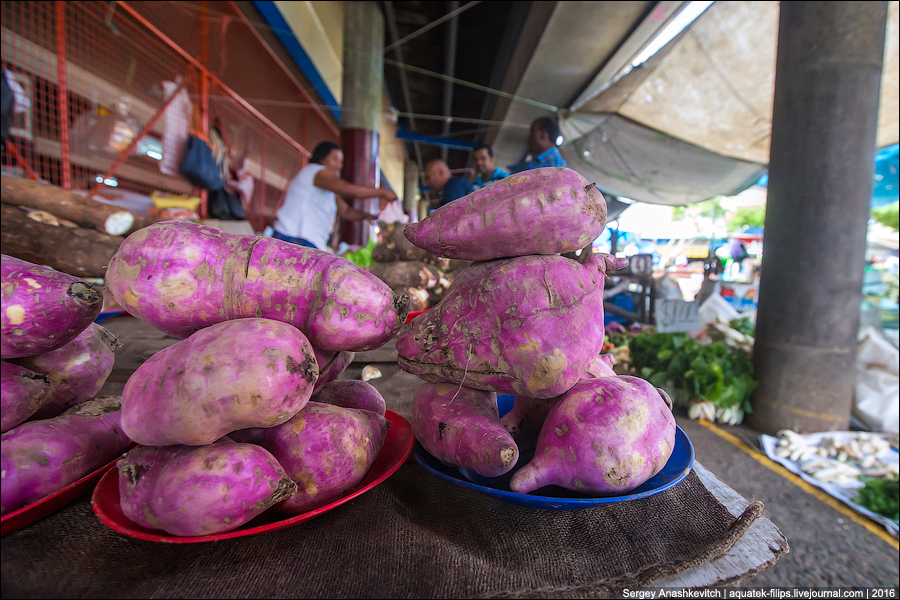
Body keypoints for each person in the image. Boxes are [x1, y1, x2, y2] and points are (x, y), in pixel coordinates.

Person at [271, 141, 397, 250]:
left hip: (308, 242)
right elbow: (351, 191)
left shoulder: (326, 188)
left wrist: (367, 216)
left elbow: (345, 211)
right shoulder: (314, 171)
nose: (339, 165)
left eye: (341, 161)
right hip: (293, 239)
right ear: (321, 158)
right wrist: (382, 192)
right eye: (334, 159)